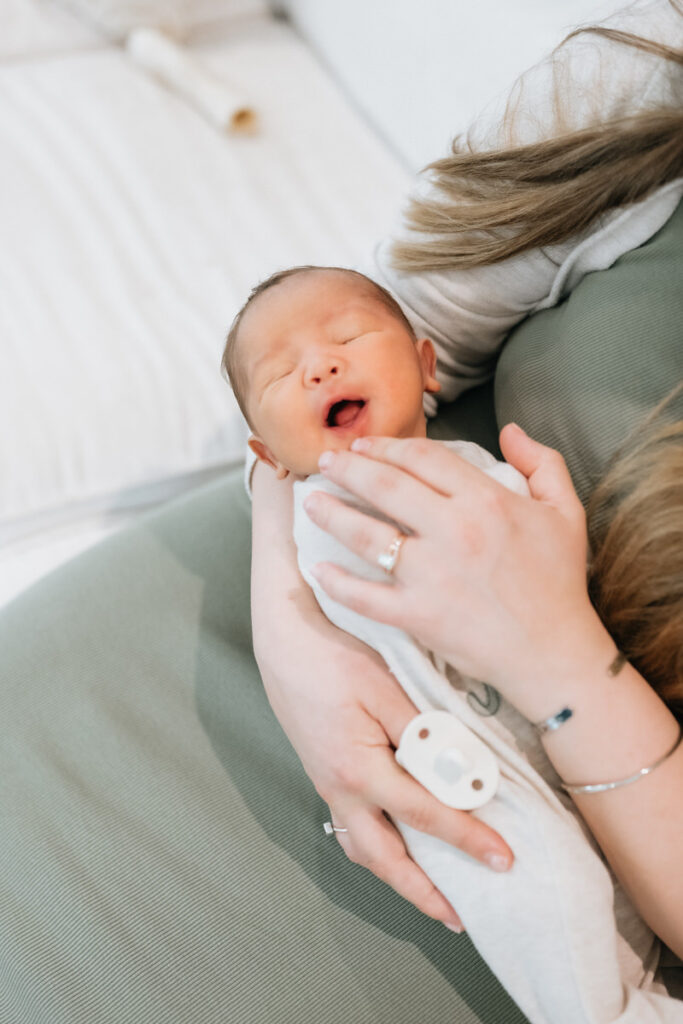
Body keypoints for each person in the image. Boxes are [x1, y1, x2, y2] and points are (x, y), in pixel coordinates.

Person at [245, 0, 683, 983]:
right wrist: (291, 628)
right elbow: (347, 327)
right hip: (339, 639)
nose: (318, 367)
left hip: (551, 831)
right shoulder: (643, 73)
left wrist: (559, 667)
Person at [221, 261, 682, 1022]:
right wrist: (289, 630)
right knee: (542, 901)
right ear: (267, 456)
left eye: (347, 337)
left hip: (568, 737)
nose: (320, 365)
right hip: (459, 775)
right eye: (282, 373)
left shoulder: (483, 472)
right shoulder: (311, 504)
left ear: (426, 368)